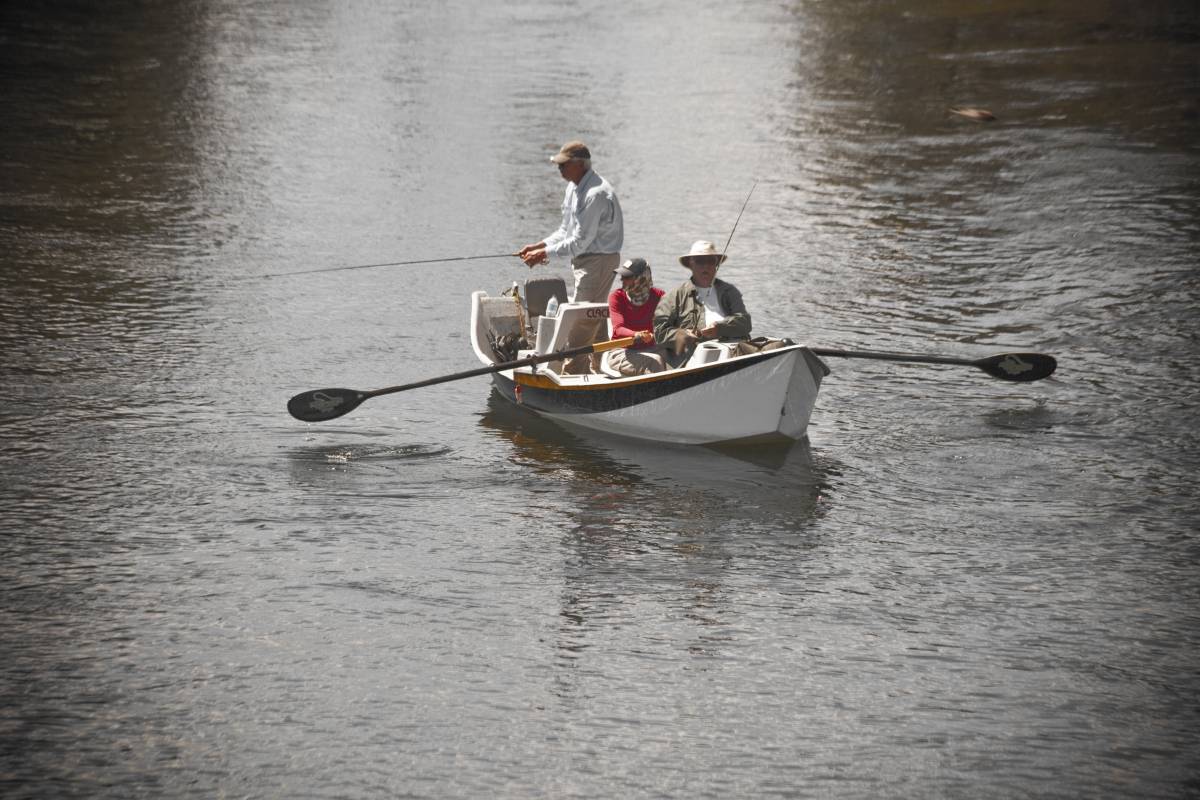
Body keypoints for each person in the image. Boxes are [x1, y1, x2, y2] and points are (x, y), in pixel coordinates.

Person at [517, 140, 624, 304]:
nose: (559, 168)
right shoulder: (573, 187)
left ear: (580, 164)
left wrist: (544, 253)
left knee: (583, 317)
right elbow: (565, 231)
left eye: (564, 164)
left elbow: (579, 241)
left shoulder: (594, 194)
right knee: (584, 317)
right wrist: (539, 246)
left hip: (598, 261)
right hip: (585, 259)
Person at [653, 240, 753, 367]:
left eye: (711, 261)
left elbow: (745, 322)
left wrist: (719, 328)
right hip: (694, 362)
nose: (706, 266)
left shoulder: (730, 292)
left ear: (716, 264)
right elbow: (659, 333)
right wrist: (683, 334)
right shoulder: (674, 296)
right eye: (700, 261)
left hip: (732, 354)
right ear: (691, 264)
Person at [606, 258, 667, 376]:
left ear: (642, 279)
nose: (622, 280)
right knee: (655, 362)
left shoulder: (659, 296)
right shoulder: (616, 297)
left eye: (627, 277)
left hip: (652, 348)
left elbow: (673, 320)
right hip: (621, 352)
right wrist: (636, 334)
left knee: (681, 354)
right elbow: (618, 329)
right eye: (622, 276)